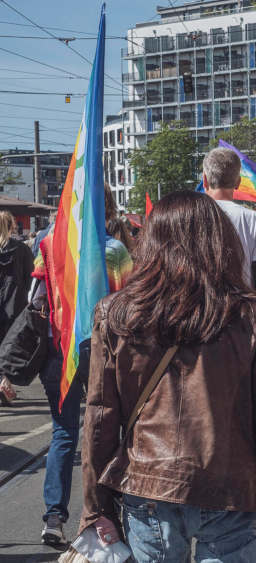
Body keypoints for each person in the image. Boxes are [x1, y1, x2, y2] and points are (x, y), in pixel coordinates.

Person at [79, 191, 256, 562]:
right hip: (233, 488)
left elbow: (100, 418)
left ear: (151, 243)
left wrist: (96, 506)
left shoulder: (117, 315)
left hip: (149, 487)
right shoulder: (251, 316)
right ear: (221, 243)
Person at [35, 183, 134, 546]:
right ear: (106, 209)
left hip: (57, 353)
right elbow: (127, 306)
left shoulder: (47, 244)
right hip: (100, 353)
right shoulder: (115, 251)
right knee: (110, 433)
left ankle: (54, 517)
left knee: (63, 434)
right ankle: (106, 513)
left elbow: (38, 297)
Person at [201, 147, 256, 293]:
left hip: (197, 310)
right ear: (238, 182)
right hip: (240, 310)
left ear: (205, 180)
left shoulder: (186, 216)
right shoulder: (255, 220)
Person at [0, 211, 33, 406]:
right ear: (12, 225)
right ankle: (5, 382)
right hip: (15, 305)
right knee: (9, 347)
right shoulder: (22, 249)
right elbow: (30, 278)